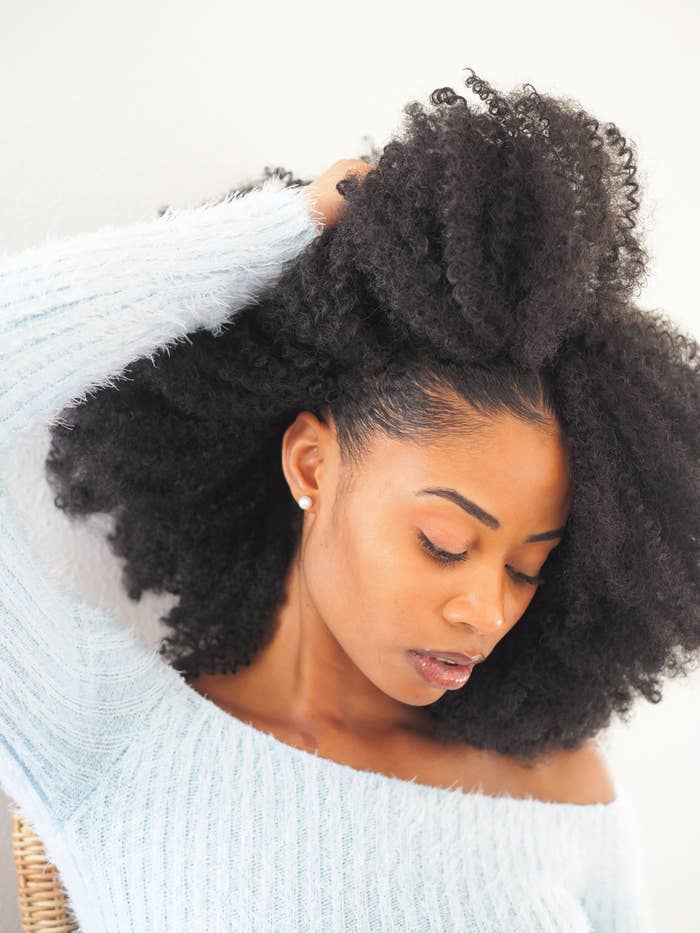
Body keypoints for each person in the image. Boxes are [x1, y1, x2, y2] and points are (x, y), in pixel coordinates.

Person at [2, 69, 696, 931]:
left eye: (528, 568)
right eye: (444, 542)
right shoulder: (107, 744)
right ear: (311, 465)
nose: (486, 610)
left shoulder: (557, 788)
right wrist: (284, 232)